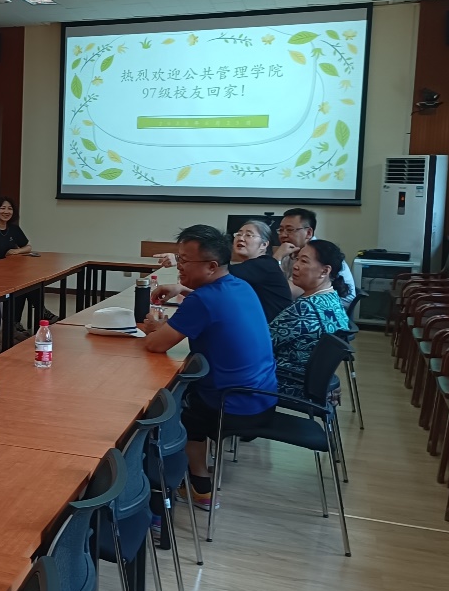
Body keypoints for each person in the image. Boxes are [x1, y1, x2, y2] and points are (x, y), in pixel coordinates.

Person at [140, 225, 278, 511]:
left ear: (212, 266)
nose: (179, 266)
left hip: (232, 404)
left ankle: (199, 486)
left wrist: (156, 328)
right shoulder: (240, 286)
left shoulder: (203, 300)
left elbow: (155, 345)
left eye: (184, 260)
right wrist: (183, 291)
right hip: (263, 396)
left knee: (171, 404)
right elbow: (214, 306)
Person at [153, 220, 292, 322]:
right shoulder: (250, 267)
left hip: (275, 336)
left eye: (249, 235)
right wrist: (182, 289)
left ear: (264, 244)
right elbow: (217, 296)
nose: (241, 238)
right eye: (239, 234)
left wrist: (180, 260)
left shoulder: (265, 265)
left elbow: (217, 275)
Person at [270, 240, 351, 402]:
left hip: (288, 382)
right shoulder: (332, 299)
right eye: (297, 259)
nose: (295, 266)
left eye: (304, 261)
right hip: (312, 383)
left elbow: (262, 342)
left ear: (325, 271)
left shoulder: (305, 308)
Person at [0, 196, 33, 348]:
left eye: (9, 208)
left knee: (29, 287)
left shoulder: (14, 229)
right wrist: (0, 265)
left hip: (13, 274)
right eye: (3, 208)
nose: (6, 211)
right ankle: (41, 315)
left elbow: (28, 247)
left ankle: (13, 326)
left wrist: (16, 251)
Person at [274, 208, 356, 306]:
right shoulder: (291, 250)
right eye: (281, 230)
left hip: (330, 307)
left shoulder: (321, 253)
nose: (283, 235)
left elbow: (285, 293)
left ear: (309, 233)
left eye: (290, 230)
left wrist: (277, 258)